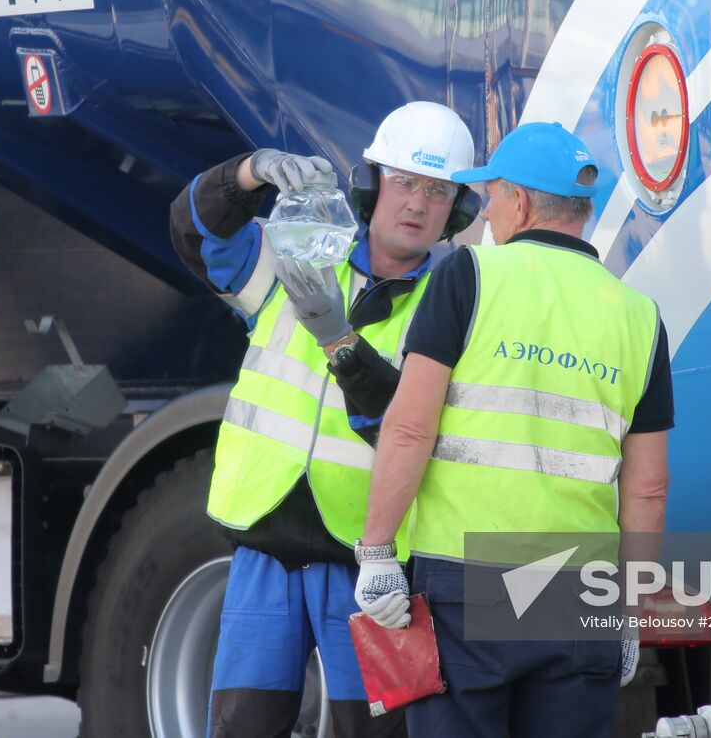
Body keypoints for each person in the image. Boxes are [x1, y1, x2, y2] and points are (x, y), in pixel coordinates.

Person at [169, 101, 482, 738]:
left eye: (438, 190)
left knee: (385, 733)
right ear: (370, 185)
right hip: (265, 552)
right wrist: (250, 172)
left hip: (375, 567)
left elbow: (417, 429)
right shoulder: (298, 255)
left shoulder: (452, 303)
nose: (418, 204)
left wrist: (341, 339)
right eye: (404, 182)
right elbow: (193, 231)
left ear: (459, 210)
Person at [352, 121, 674, 738]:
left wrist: (376, 552)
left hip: (464, 586)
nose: (487, 216)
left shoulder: (469, 275)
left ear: (521, 203)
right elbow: (648, 487)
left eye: (492, 198)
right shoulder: (640, 317)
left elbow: (409, 431)